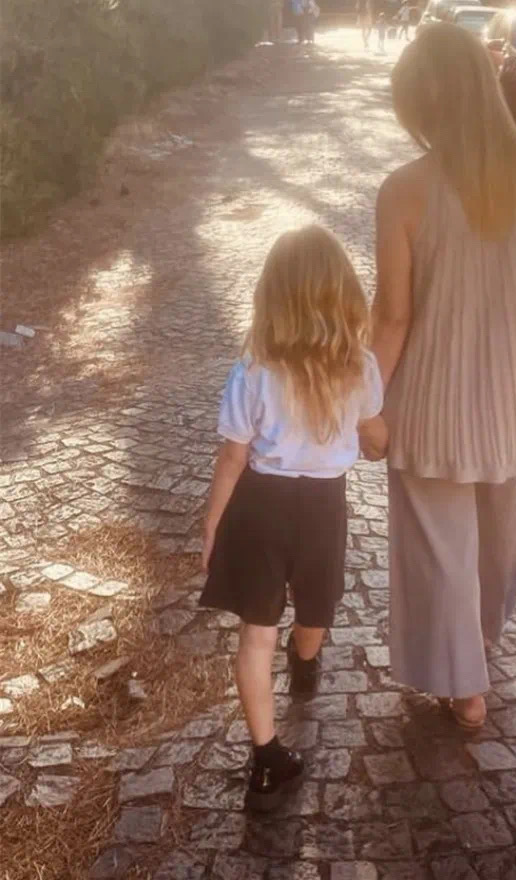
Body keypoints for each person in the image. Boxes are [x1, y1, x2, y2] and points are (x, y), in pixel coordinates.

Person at [362, 24, 516, 731]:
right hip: (514, 408)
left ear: (419, 102)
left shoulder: (404, 190)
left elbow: (393, 316)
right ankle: (482, 644)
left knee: (440, 553)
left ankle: (465, 687)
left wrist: (364, 405)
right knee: (502, 551)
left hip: (427, 409)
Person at [200, 226, 386, 810]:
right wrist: (377, 440)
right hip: (323, 506)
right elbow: (375, 433)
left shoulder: (254, 368)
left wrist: (212, 525)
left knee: (255, 633)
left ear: (272, 295)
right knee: (316, 608)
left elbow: (232, 456)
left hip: (260, 504)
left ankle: (266, 756)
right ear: (343, 293)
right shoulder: (359, 367)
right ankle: (305, 660)